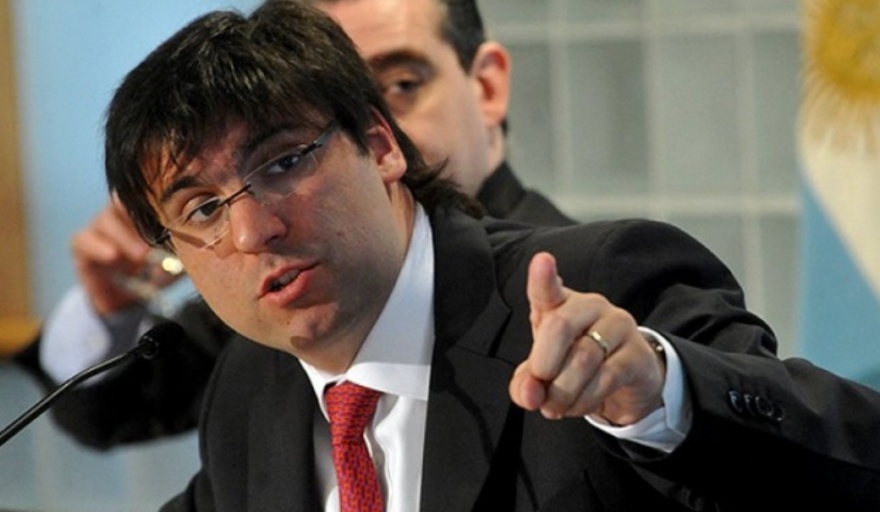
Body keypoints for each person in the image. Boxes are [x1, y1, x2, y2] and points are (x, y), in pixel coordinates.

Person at [100, 2, 880, 510]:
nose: (252, 232)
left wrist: (661, 395)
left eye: (282, 163)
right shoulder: (251, 384)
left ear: (380, 145)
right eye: (201, 209)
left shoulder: (600, 285)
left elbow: (854, 460)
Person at [10, 0, 574, 448]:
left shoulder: (582, 287)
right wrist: (111, 306)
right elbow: (111, 410)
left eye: (399, 84)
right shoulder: (280, 291)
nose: (252, 231)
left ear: (486, 87)